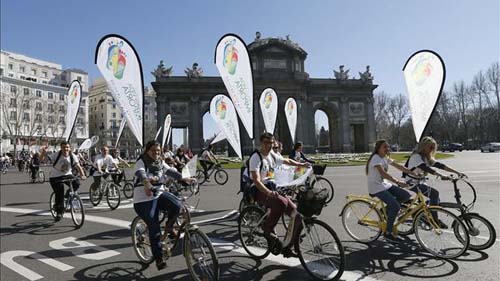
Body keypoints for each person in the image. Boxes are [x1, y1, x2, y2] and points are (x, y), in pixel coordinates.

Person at [245, 132, 310, 256]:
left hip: (273, 187)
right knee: (281, 203)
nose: (269, 145)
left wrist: (301, 165)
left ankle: (287, 247)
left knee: (297, 214)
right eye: (266, 143)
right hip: (260, 190)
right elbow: (256, 180)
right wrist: (268, 192)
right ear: (261, 143)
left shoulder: (272, 155)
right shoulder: (256, 157)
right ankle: (267, 228)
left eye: (271, 143)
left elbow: (286, 161)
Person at [133, 140, 194, 270]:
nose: (156, 153)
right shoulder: (141, 161)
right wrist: (147, 184)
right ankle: (159, 258)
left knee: (178, 206)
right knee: (154, 227)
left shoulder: (160, 162)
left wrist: (184, 178)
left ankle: (169, 226)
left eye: (158, 151)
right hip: (143, 200)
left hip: (158, 194)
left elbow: (170, 171)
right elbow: (141, 174)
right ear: (147, 151)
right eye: (153, 151)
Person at [405, 136, 467, 227]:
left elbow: (440, 165)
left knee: (435, 199)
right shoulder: (416, 156)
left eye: (433, 148)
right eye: (430, 147)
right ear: (424, 146)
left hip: (419, 181)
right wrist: (441, 175)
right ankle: (435, 220)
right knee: (434, 194)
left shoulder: (426, 157)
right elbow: (425, 168)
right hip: (411, 182)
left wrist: (457, 172)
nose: (432, 149)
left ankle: (418, 212)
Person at [366, 140, 420, 241]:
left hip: (384, 185)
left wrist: (413, 173)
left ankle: (385, 211)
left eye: (388, 147)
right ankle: (388, 232)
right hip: (376, 187)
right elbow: (383, 174)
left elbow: (399, 167)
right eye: (384, 147)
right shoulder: (375, 158)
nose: (387, 149)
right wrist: (398, 182)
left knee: (405, 196)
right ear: (378, 149)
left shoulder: (385, 158)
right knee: (395, 206)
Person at [42, 141, 86, 221]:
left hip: (67, 174)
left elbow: (78, 166)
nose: (66, 149)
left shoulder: (73, 156)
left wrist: (82, 175)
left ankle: (68, 195)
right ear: (61, 148)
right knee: (59, 192)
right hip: (55, 176)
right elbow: (43, 160)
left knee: (76, 183)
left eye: (67, 147)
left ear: (70, 148)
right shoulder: (56, 155)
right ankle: (59, 211)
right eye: (64, 147)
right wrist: (43, 153)